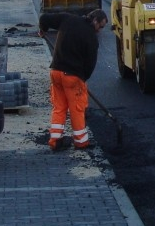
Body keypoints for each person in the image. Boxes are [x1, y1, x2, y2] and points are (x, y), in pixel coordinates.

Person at [38, 9, 109, 151]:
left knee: (59, 107)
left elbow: (44, 18)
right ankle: (81, 143)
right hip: (72, 77)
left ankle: (55, 141)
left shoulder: (68, 18)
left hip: (56, 72)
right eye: (100, 26)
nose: (99, 30)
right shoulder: (91, 38)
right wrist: (82, 79)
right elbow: (90, 64)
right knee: (77, 109)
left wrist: (43, 30)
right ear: (95, 20)